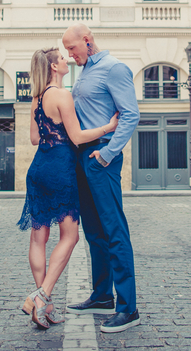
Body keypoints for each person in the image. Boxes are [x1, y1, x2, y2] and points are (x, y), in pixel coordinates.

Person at [17, 46, 119, 330]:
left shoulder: (37, 98)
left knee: (39, 237)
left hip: (38, 169)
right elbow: (77, 137)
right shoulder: (62, 95)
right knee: (70, 236)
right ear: (53, 67)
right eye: (62, 59)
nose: (66, 61)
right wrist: (108, 128)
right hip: (61, 170)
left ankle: (45, 305)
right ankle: (41, 296)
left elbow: (35, 138)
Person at [61, 24, 141, 333]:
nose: (70, 54)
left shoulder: (114, 68)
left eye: (72, 48)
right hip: (83, 157)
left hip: (100, 157)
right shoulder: (82, 73)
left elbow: (130, 114)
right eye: (66, 50)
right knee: (94, 231)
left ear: (87, 40)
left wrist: (108, 153)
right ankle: (102, 295)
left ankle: (128, 308)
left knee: (113, 229)